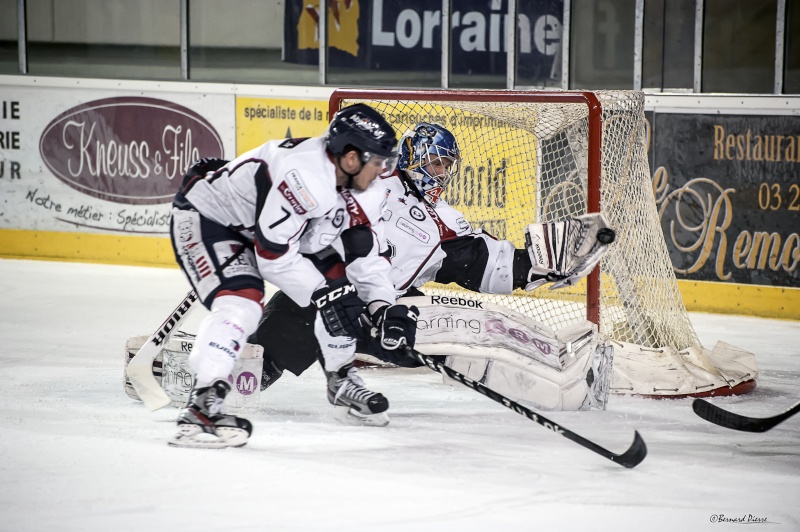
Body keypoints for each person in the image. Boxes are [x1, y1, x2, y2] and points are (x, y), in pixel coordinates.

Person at [250, 122, 613, 410]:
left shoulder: (442, 220)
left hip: (386, 312)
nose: (442, 172)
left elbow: (481, 263)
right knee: (258, 360)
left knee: (467, 342)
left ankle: (567, 391)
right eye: (437, 161)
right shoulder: (368, 177)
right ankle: (216, 388)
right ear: (414, 155)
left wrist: (536, 262)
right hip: (322, 294)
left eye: (447, 165)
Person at [167, 104, 419, 448]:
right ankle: (202, 404)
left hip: (268, 231)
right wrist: (328, 296)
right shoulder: (305, 177)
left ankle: (341, 378)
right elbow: (272, 257)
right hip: (211, 220)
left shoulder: (365, 188)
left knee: (339, 288)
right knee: (242, 303)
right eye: (377, 161)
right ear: (350, 158)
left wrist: (383, 307)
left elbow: (364, 252)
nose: (383, 170)